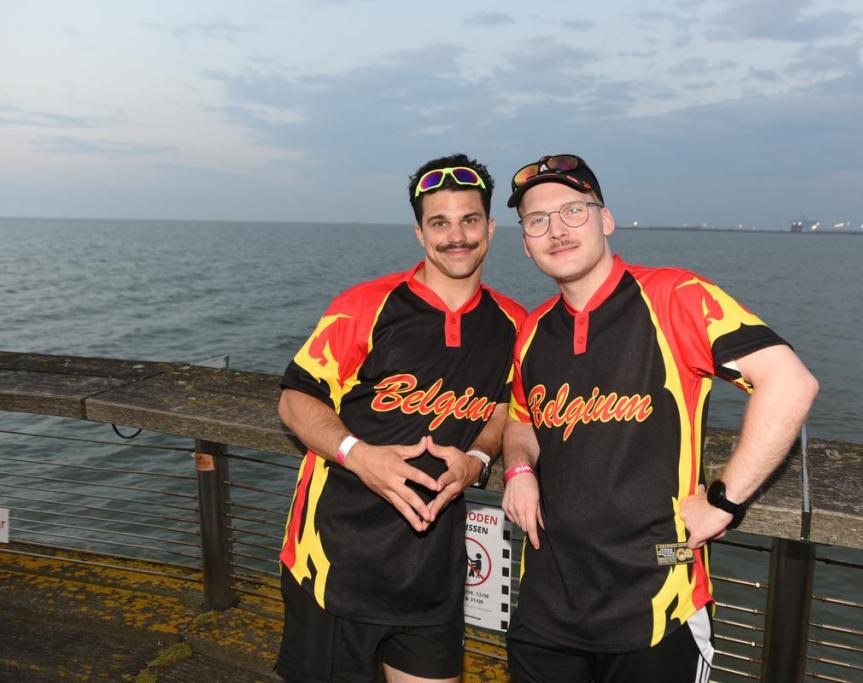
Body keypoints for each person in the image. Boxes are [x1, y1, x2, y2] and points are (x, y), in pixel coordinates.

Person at [500, 154, 818, 682]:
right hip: (546, 610)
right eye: (537, 221)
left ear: (605, 220)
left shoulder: (674, 296)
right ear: (526, 243)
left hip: (655, 604)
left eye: (573, 211)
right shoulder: (533, 330)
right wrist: (518, 469)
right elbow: (521, 420)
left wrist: (725, 501)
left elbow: (789, 383)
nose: (556, 230)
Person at [275, 153, 525, 683]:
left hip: (432, 574)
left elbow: (507, 408)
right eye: (440, 223)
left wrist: (478, 460)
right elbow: (294, 400)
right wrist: (358, 456)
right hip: (334, 563)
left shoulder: (514, 324)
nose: (456, 236)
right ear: (420, 234)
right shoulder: (365, 306)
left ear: (490, 228)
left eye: (469, 220)